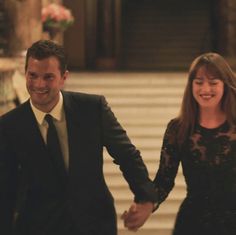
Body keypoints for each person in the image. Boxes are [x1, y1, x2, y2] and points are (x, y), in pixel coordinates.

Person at [0, 39, 157, 235]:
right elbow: (5, 189)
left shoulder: (92, 109)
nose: (39, 84)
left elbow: (126, 154)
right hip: (38, 227)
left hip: (94, 224)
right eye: (33, 75)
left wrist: (146, 198)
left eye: (48, 77)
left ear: (64, 77)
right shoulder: (9, 125)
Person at [123, 52, 236, 234]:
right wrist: (147, 204)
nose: (205, 89)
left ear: (225, 85)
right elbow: (164, 181)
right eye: (199, 82)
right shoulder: (178, 129)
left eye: (213, 83)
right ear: (191, 85)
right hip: (193, 221)